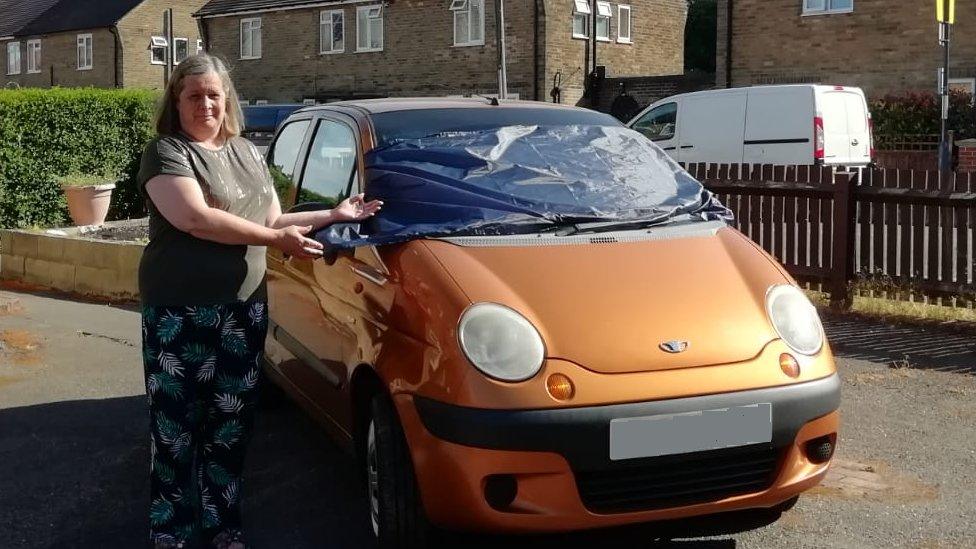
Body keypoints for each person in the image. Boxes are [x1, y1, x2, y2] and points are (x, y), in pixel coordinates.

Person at [137, 53, 381, 549]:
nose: (204, 103)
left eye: (213, 94)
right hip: (179, 312)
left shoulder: (247, 153)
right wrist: (276, 243)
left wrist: (330, 214)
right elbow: (196, 219)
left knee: (230, 426)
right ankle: (172, 532)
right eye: (193, 95)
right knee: (177, 428)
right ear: (176, 102)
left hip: (243, 309)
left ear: (227, 101)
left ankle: (223, 528)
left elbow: (273, 223)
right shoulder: (167, 152)